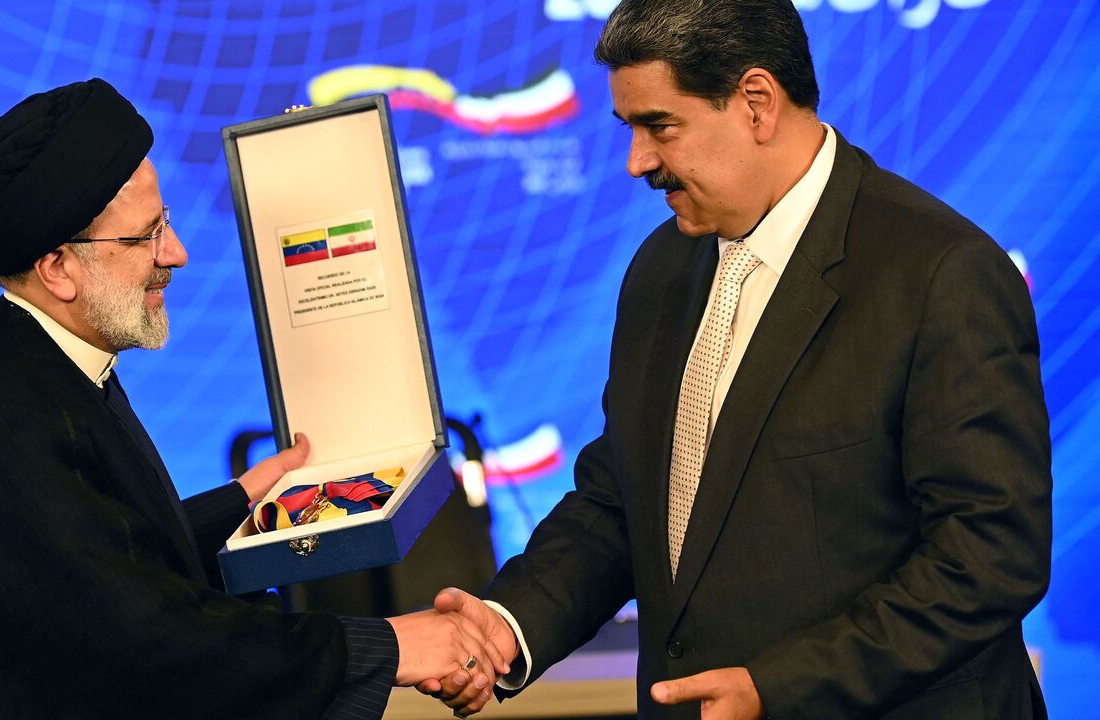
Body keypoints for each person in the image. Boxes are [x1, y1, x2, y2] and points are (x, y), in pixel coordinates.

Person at [426, 1, 1052, 718]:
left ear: (757, 103)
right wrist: (505, 627)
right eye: (630, 129)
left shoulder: (940, 274)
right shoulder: (661, 268)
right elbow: (619, 505)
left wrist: (777, 689)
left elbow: (986, 557)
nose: (637, 162)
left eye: (659, 126)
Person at [0, 78, 506, 719]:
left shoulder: (37, 367)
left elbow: (100, 556)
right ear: (57, 268)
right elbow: (145, 641)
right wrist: (389, 645)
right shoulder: (1, 413)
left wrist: (242, 504)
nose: (174, 254)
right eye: (144, 237)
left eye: (165, 223)